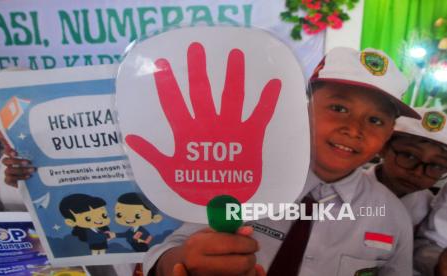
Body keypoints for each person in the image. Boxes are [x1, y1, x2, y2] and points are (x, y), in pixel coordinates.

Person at [143, 47, 420, 276]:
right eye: (339, 108)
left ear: (388, 135)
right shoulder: (243, 180)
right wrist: (182, 261)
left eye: (375, 120)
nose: (354, 129)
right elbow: (170, 252)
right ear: (304, 108)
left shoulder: (392, 218)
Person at [365, 107, 447, 226]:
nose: (418, 172)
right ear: (383, 147)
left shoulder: (430, 210)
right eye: (409, 156)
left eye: (436, 165)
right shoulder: (344, 190)